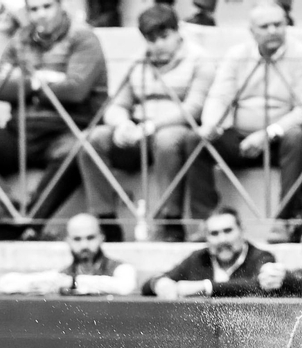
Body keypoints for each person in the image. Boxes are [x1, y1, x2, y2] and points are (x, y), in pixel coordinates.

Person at [0, 0, 107, 241]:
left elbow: (76, 89)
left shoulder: (82, 38)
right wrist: (40, 81)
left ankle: (30, 223)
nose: (40, 15)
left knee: (77, 148)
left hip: (65, 129)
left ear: (60, 6)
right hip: (20, 131)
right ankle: (3, 204)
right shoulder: (20, 39)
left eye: (47, 7)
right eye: (34, 9)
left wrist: (24, 81)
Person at [79, 4, 215, 244]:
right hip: (137, 130)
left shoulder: (199, 59)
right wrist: (122, 124)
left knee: (167, 139)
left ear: (178, 31)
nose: (158, 45)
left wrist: (152, 126)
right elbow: (116, 104)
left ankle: (170, 221)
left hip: (175, 129)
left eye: (164, 37)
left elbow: (194, 108)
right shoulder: (137, 62)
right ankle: (105, 220)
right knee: (92, 139)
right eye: (151, 40)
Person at [199, 3, 302, 239]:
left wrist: (267, 133)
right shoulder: (238, 55)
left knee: (297, 137)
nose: (273, 30)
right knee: (194, 140)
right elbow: (220, 95)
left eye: (278, 24)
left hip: (281, 137)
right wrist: (210, 124)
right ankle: (205, 222)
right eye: (265, 26)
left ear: (287, 25)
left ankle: (284, 221)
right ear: (252, 31)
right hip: (240, 136)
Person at [144, 206, 278, 297]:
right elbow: (148, 286)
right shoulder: (199, 258)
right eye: (214, 234)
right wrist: (158, 283)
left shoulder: (260, 257)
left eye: (228, 231)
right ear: (206, 237)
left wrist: (205, 287)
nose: (222, 240)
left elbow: (258, 285)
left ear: (241, 230)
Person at [0, 211, 138, 294]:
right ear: (68, 241)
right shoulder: (63, 274)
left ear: (102, 237)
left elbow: (126, 287)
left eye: (90, 238)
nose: (84, 245)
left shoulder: (121, 269)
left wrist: (73, 283)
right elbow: (5, 283)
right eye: (77, 239)